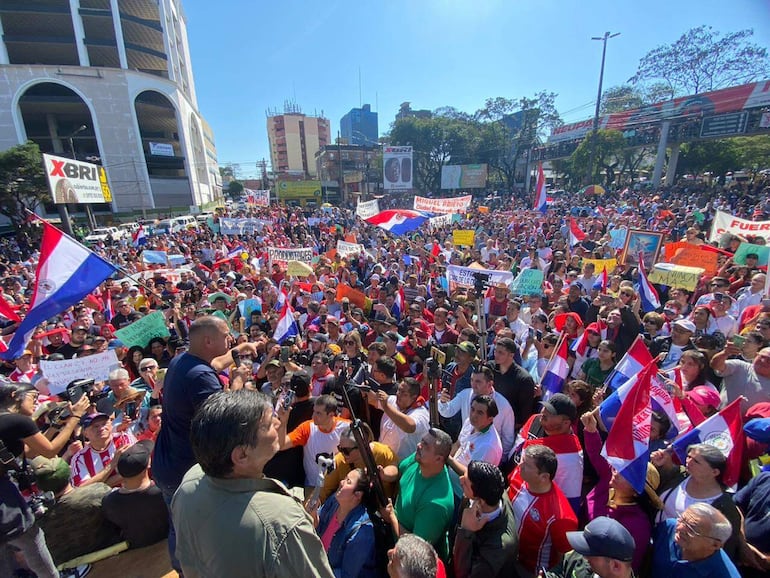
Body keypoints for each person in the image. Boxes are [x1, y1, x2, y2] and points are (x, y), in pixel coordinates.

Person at [171, 389, 334, 577]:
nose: (277, 422)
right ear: (241, 455)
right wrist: (298, 530)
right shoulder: (282, 522)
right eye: (268, 424)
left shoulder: (190, 481)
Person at [152, 316, 255, 574]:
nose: (230, 337)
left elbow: (215, 362)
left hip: (168, 464)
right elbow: (224, 418)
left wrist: (239, 350)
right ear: (208, 341)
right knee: (198, 538)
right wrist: (239, 379)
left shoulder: (182, 361)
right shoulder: (200, 378)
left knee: (179, 529)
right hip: (187, 473)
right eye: (225, 335)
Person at [0, 382, 89, 578]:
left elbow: (28, 451)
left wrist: (55, 425)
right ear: (15, 395)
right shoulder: (17, 421)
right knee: (32, 539)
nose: (36, 402)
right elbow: (50, 451)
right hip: (4, 497)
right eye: (33, 397)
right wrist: (76, 416)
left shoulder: (6, 422)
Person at [30, 456, 121, 566]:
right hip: (113, 555)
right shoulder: (98, 492)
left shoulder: (38, 518)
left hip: (70, 569)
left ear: (40, 488)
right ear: (69, 473)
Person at [384, 428, 455, 561]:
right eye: (422, 441)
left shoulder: (436, 504)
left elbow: (415, 550)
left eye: (426, 446)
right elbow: (399, 471)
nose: (419, 445)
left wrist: (392, 517)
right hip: (393, 538)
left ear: (438, 459)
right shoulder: (420, 459)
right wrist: (383, 475)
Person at [508, 444, 577, 575]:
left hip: (531, 572)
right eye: (521, 461)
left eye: (527, 465)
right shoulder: (519, 475)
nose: (520, 466)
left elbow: (564, 557)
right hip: (507, 556)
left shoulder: (561, 517)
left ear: (544, 477)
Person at [453, 460, 518, 578]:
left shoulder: (499, 547)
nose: (460, 480)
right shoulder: (493, 491)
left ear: (480, 501)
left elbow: (463, 575)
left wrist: (465, 532)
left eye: (466, 483)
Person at [101, 440, 169, 549]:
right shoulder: (163, 492)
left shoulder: (109, 502)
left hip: (136, 550)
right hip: (166, 546)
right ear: (148, 465)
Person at [278, 394, 350, 490]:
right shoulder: (307, 428)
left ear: (331, 415)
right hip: (313, 486)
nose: (313, 416)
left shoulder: (347, 427)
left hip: (339, 486)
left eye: (318, 413)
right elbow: (281, 445)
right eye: (314, 411)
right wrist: (283, 421)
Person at [315, 468, 378, 578]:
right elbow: (316, 525)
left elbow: (345, 575)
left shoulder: (361, 533)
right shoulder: (334, 501)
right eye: (344, 478)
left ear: (357, 495)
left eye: (348, 481)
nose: (341, 482)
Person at [651, 502, 741, 577]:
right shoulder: (668, 528)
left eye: (691, 528)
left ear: (715, 545)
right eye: (682, 519)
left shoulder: (724, 575)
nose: (680, 528)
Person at [321, 422, 398, 503]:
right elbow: (323, 491)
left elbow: (395, 469)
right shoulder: (339, 461)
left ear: (362, 447)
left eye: (346, 450)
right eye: (340, 448)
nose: (342, 453)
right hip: (353, 511)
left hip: (382, 507)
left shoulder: (381, 452)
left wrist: (383, 474)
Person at [547, 516, 635, 578]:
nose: (584, 556)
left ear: (615, 566)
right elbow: (561, 571)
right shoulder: (579, 559)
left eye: (590, 552)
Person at [69, 412, 136, 488]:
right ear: (85, 433)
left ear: (111, 425)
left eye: (104, 424)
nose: (101, 428)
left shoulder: (124, 439)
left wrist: (99, 484)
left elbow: (136, 469)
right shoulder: (79, 459)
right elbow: (82, 489)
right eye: (95, 426)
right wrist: (112, 464)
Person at [711, 343, 770, 412]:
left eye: (769, 360)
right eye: (762, 357)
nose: (763, 361)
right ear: (756, 355)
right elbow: (715, 365)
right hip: (722, 418)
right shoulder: (740, 366)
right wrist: (725, 353)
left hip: (752, 422)